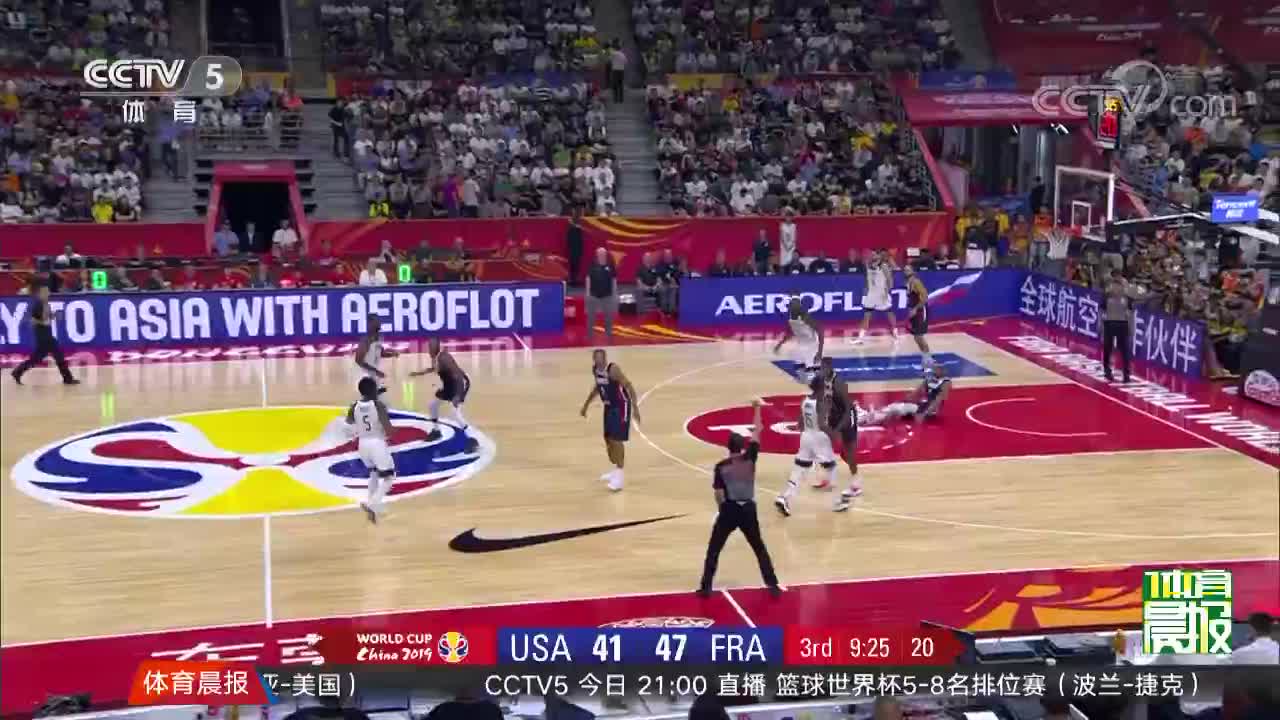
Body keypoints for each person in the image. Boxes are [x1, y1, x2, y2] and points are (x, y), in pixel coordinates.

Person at [698, 398, 781, 598]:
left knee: (714, 549)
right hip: (748, 510)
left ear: (728, 447)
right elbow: (757, 430)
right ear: (743, 446)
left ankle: (706, 587)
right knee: (759, 548)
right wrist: (757, 408)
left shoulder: (721, 467)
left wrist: (723, 513)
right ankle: (773, 585)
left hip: (730, 509)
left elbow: (719, 494)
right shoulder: (750, 457)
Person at [776, 376, 840, 515]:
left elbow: (800, 423)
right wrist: (834, 434)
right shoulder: (821, 402)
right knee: (831, 466)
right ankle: (837, 501)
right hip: (819, 437)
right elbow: (822, 424)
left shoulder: (805, 401)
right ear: (820, 387)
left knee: (799, 469)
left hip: (806, 436)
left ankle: (784, 497)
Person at [580, 348, 640, 492]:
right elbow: (597, 388)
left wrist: (635, 408)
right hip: (609, 406)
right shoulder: (596, 370)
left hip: (621, 405)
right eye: (596, 358)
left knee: (616, 440)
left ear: (605, 358)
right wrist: (586, 405)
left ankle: (619, 476)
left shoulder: (613, 370)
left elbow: (629, 386)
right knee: (608, 439)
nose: (598, 360)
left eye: (601, 358)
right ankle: (615, 469)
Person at [410, 338, 478, 452]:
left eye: (431, 347)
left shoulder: (444, 358)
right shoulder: (436, 358)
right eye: (428, 347)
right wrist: (418, 373)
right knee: (432, 405)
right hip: (450, 384)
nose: (429, 349)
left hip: (460, 384)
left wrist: (457, 395)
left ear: (437, 347)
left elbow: (457, 376)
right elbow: (434, 369)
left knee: (455, 413)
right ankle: (436, 431)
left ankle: (473, 439)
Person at [346, 376, 396, 524]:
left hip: (362, 445)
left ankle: (373, 505)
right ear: (373, 390)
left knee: (374, 472)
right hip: (377, 444)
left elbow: (348, 423)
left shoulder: (354, 406)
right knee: (389, 477)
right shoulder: (378, 405)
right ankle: (372, 504)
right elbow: (389, 429)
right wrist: (394, 432)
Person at [11, 284, 78, 386]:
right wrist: (45, 322)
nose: (48, 293)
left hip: (46, 335)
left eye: (48, 291)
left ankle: (17, 372)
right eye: (45, 292)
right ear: (40, 293)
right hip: (44, 337)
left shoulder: (45, 304)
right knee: (57, 356)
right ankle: (68, 379)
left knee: (37, 359)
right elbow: (33, 320)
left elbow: (46, 317)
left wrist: (53, 316)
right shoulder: (38, 304)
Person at [819, 356, 862, 498]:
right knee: (825, 443)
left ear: (829, 368)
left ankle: (856, 485)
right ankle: (829, 478)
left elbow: (847, 410)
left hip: (847, 416)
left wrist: (837, 429)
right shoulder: (824, 381)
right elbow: (826, 400)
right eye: (820, 368)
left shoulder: (839, 384)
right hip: (835, 414)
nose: (821, 370)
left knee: (847, 452)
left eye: (823, 368)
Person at [864, 364, 951, 425]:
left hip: (930, 410)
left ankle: (872, 418)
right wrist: (905, 400)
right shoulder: (929, 379)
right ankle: (874, 415)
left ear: (944, 370)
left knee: (897, 409)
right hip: (923, 405)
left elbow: (938, 400)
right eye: (935, 369)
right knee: (896, 406)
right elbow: (917, 392)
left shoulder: (945, 382)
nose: (936, 370)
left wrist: (925, 413)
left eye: (939, 369)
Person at [773, 296, 823, 385]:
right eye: (791, 305)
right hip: (802, 344)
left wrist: (819, 351)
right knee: (797, 363)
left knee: (811, 371)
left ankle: (818, 383)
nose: (792, 307)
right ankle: (807, 378)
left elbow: (820, 331)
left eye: (794, 304)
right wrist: (780, 344)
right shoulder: (791, 318)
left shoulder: (805, 317)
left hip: (812, 344)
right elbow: (790, 332)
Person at [1102, 270, 1138, 383]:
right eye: (1115, 277)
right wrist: (1101, 324)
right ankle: (1107, 371)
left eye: (1119, 276)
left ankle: (1126, 375)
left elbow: (1130, 310)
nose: (1117, 278)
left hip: (1122, 323)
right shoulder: (1108, 290)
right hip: (1110, 322)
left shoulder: (1127, 291)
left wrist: (1131, 326)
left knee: (1124, 350)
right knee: (1108, 348)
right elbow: (1102, 308)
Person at [856, 250, 898, 342]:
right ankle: (860, 337)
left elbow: (890, 279)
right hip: (871, 294)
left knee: (889, 313)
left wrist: (887, 291)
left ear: (879, 256)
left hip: (881, 293)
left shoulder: (883, 266)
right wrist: (866, 290)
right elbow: (868, 279)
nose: (872, 256)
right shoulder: (868, 265)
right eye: (871, 255)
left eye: (874, 254)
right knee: (867, 315)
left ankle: (895, 332)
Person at [354, 313, 397, 389]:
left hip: (374, 375)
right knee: (375, 394)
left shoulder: (379, 337)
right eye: (376, 321)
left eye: (378, 320)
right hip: (365, 377)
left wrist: (392, 354)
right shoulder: (365, 340)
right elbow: (358, 361)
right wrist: (376, 371)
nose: (379, 322)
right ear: (370, 324)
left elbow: (381, 353)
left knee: (383, 392)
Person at [585, 247, 617, 341]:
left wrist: (615, 293)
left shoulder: (610, 265)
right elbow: (588, 278)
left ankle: (609, 335)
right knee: (591, 317)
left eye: (603, 254)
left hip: (607, 295)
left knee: (608, 317)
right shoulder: (592, 264)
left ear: (606, 254)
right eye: (599, 254)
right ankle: (589, 335)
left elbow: (614, 280)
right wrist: (587, 293)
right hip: (593, 294)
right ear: (597, 255)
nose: (601, 255)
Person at [904, 264, 931, 365]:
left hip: (920, 311)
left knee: (919, 336)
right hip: (914, 312)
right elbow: (911, 299)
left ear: (913, 272)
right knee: (916, 337)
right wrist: (910, 310)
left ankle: (929, 360)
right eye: (904, 270)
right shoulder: (908, 283)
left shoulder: (916, 282)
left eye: (908, 270)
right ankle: (925, 358)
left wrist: (915, 309)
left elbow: (925, 296)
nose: (905, 272)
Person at [566, 209, 584, 286]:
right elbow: (568, 240)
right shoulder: (570, 230)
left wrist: (572, 223)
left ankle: (575, 279)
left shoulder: (579, 227)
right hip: (572, 249)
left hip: (577, 249)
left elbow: (579, 227)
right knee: (572, 264)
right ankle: (572, 279)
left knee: (576, 264)